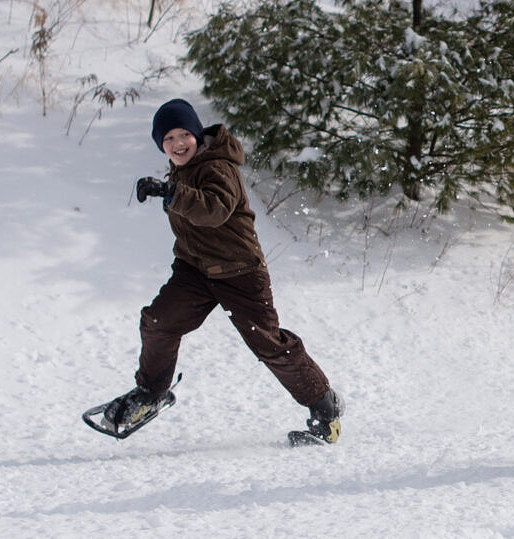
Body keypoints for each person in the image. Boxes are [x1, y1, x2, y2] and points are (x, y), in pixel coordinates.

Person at [92, 99, 343, 443]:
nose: (178, 144)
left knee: (268, 343)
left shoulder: (218, 168)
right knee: (158, 321)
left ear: (197, 133)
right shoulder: (182, 168)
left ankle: (325, 408)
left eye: (184, 134)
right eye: (168, 139)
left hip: (239, 271)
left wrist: (171, 192)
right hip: (195, 271)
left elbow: (215, 210)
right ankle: (151, 394)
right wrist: (170, 189)